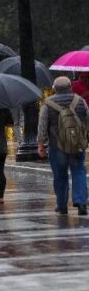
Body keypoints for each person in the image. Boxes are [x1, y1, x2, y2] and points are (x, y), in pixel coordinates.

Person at [38, 76, 89, 215]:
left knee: (60, 175)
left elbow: (42, 125)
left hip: (57, 146)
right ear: (70, 87)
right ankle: (81, 202)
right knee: (79, 171)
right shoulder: (80, 101)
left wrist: (41, 144)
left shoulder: (48, 103)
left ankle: (61, 205)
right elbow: (87, 119)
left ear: (54, 89)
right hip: (77, 144)